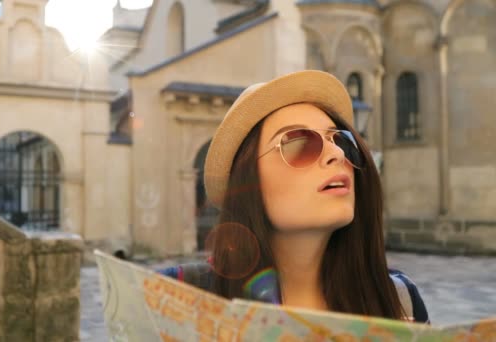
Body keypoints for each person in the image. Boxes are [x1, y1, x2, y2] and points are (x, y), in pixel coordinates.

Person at [160, 70, 429, 323]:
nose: (337, 154)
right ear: (248, 182)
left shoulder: (398, 301)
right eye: (299, 143)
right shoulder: (172, 296)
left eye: (341, 141)